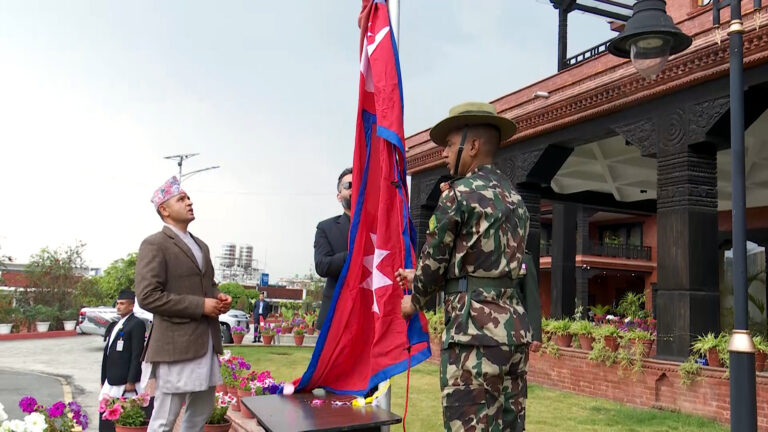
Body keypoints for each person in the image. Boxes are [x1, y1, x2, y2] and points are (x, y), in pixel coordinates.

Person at [396, 102, 536, 432]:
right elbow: (483, 264)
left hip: (474, 335)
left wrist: (414, 300)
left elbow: (435, 261)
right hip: (513, 333)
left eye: (449, 144)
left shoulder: (458, 195)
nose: (443, 153)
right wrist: (420, 276)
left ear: (472, 146)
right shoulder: (515, 199)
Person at [135, 176, 232, 432]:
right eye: (181, 199)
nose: (189, 202)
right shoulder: (155, 244)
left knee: (200, 414)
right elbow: (147, 296)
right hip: (175, 345)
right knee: (164, 420)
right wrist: (200, 306)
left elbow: (208, 285)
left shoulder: (202, 246)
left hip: (206, 342)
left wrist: (219, 297)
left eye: (188, 198)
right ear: (164, 210)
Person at [99, 290, 147, 432]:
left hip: (124, 382)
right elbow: (108, 354)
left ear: (131, 306)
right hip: (111, 380)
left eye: (122, 304)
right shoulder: (116, 324)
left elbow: (137, 354)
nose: (118, 306)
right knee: (106, 419)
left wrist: (131, 380)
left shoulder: (136, 324)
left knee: (123, 419)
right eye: (118, 303)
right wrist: (103, 378)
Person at [313, 167, 352, 330]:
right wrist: (352, 256)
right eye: (348, 185)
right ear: (339, 196)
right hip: (336, 314)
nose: (354, 189)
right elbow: (322, 265)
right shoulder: (326, 228)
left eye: (359, 184)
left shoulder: (378, 228)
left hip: (371, 313)